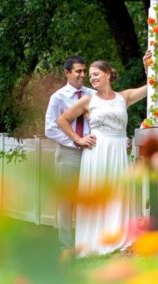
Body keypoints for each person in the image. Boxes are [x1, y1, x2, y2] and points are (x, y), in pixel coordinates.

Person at [56, 56, 150, 257]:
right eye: (90, 76)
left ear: (107, 74)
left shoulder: (124, 97)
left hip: (118, 151)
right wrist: (78, 139)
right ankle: (96, 240)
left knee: (119, 193)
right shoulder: (88, 100)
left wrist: (147, 67)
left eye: (96, 74)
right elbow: (62, 120)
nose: (92, 79)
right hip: (97, 153)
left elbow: (151, 87)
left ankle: (120, 237)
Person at [44, 56, 95, 249]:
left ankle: (88, 241)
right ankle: (66, 245)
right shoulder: (58, 97)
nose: (83, 75)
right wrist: (76, 141)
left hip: (92, 153)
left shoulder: (92, 94)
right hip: (68, 153)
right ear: (67, 73)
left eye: (84, 71)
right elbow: (50, 129)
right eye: (78, 71)